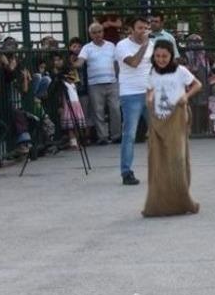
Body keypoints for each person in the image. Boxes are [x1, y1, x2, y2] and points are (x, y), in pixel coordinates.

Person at [143, 39, 201, 216]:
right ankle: (159, 201)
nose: (161, 59)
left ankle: (182, 199)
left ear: (171, 56)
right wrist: (150, 97)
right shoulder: (152, 72)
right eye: (158, 56)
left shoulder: (180, 71)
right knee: (158, 161)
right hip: (158, 119)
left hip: (177, 118)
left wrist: (187, 96)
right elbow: (150, 89)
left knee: (177, 160)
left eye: (165, 56)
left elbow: (198, 85)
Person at [115, 17, 154, 185]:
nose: (143, 31)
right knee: (130, 134)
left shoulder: (152, 45)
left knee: (158, 131)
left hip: (150, 91)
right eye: (140, 28)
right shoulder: (122, 45)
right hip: (130, 93)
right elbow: (134, 63)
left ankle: (160, 168)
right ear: (131, 29)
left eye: (146, 28)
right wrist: (144, 45)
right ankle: (126, 171)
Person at [76, 21, 120, 145]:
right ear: (90, 34)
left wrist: (116, 77)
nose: (97, 35)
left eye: (99, 32)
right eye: (94, 33)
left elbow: (117, 63)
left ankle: (116, 135)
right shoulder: (87, 47)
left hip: (112, 82)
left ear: (103, 32)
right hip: (95, 84)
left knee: (115, 109)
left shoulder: (111, 45)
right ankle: (102, 137)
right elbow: (80, 62)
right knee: (98, 111)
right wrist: (73, 64)